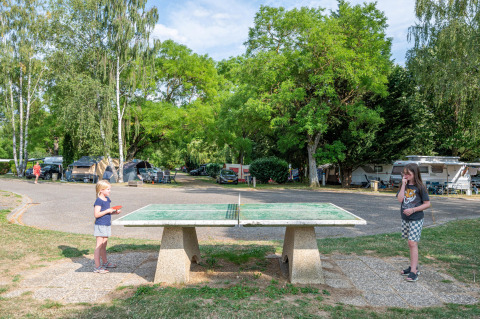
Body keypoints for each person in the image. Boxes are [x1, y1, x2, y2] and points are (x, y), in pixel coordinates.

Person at [396, 163, 431, 282]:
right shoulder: (403, 185)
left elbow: (427, 204)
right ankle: (413, 266)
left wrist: (413, 210)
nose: (405, 175)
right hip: (405, 218)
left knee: (412, 243)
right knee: (410, 243)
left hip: (416, 217)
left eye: (408, 174)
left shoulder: (420, 187)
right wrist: (403, 185)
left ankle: (414, 272)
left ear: (414, 174)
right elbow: (400, 199)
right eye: (404, 173)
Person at [93, 180, 121, 273]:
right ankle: (97, 267)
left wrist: (114, 212)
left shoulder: (107, 199)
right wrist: (108, 211)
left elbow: (107, 213)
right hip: (100, 225)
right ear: (101, 190)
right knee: (99, 246)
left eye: (110, 189)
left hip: (106, 224)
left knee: (104, 245)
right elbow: (96, 214)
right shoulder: (99, 201)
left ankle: (105, 263)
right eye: (108, 189)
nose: (110, 191)